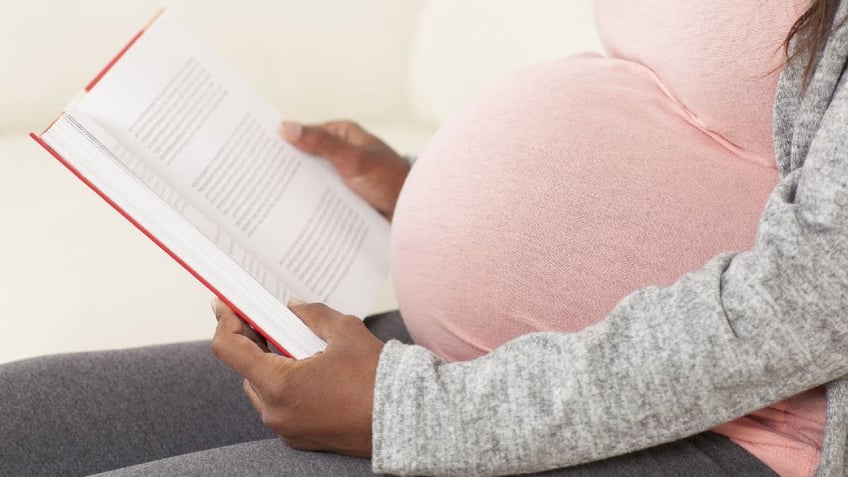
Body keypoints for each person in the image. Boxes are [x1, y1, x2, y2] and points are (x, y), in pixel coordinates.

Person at [2, 0, 847, 475]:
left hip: (745, 432)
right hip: (524, 362)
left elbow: (815, 302)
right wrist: (421, 189)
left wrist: (410, 411)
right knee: (19, 420)